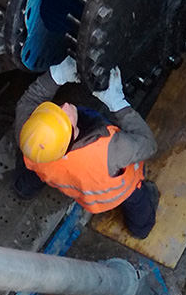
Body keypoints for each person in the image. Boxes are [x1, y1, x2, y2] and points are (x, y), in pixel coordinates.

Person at [14, 56, 159, 240]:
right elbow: (149, 144)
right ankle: (141, 229)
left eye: (56, 109)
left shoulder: (27, 132)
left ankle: (24, 189)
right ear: (73, 135)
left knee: (32, 167)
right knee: (137, 199)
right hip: (112, 193)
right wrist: (118, 103)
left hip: (50, 172)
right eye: (64, 116)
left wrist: (56, 75)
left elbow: (32, 97)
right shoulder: (112, 150)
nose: (65, 105)